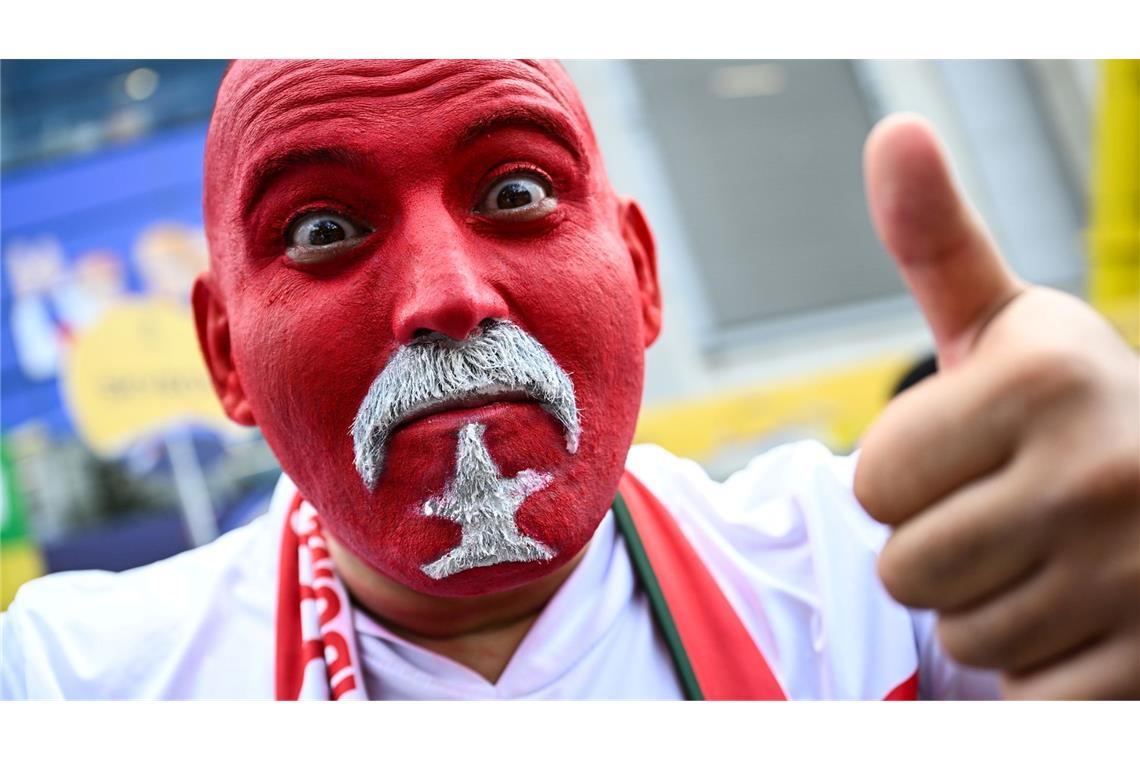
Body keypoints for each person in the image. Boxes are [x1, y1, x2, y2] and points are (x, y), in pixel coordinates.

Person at [2, 59, 1137, 700]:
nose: (447, 296)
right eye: (325, 225)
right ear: (225, 358)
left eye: (512, 193)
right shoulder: (74, 683)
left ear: (640, 278)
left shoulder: (890, 585)